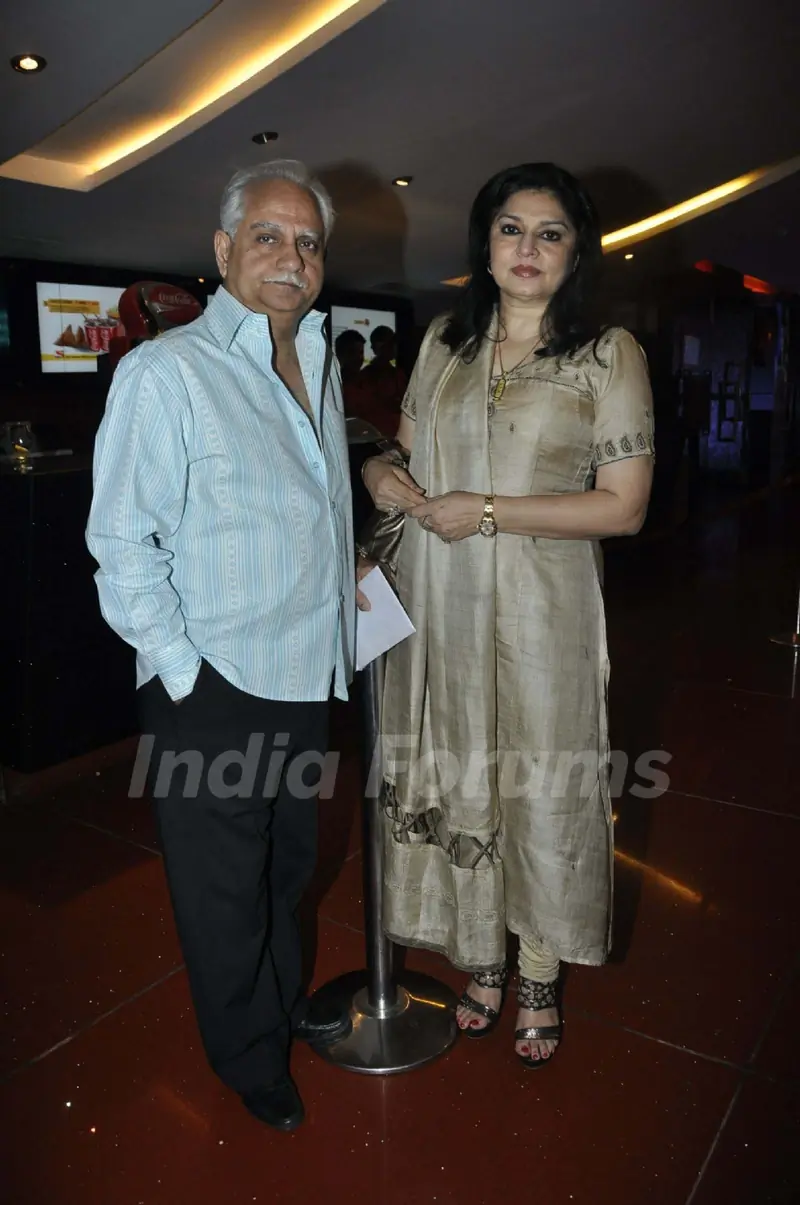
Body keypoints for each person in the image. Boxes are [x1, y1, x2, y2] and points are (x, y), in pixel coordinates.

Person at [358, 162, 654, 1069]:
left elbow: (624, 505)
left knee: (539, 778)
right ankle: (479, 959)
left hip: (542, 607)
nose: (529, 249)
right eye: (512, 229)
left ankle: (536, 973)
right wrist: (378, 473)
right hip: (439, 601)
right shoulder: (446, 342)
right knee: (461, 769)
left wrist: (486, 510)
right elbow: (402, 448)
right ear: (485, 247)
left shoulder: (606, 353)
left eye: (551, 232)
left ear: (576, 252)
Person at [86, 160, 355, 1130]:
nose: (291, 257)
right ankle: (248, 1057)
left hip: (304, 676)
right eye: (268, 236)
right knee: (221, 892)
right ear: (221, 252)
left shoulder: (314, 359)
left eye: (308, 241)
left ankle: (279, 1000)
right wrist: (183, 673)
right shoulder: (167, 373)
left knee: (286, 872)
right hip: (215, 683)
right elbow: (120, 539)